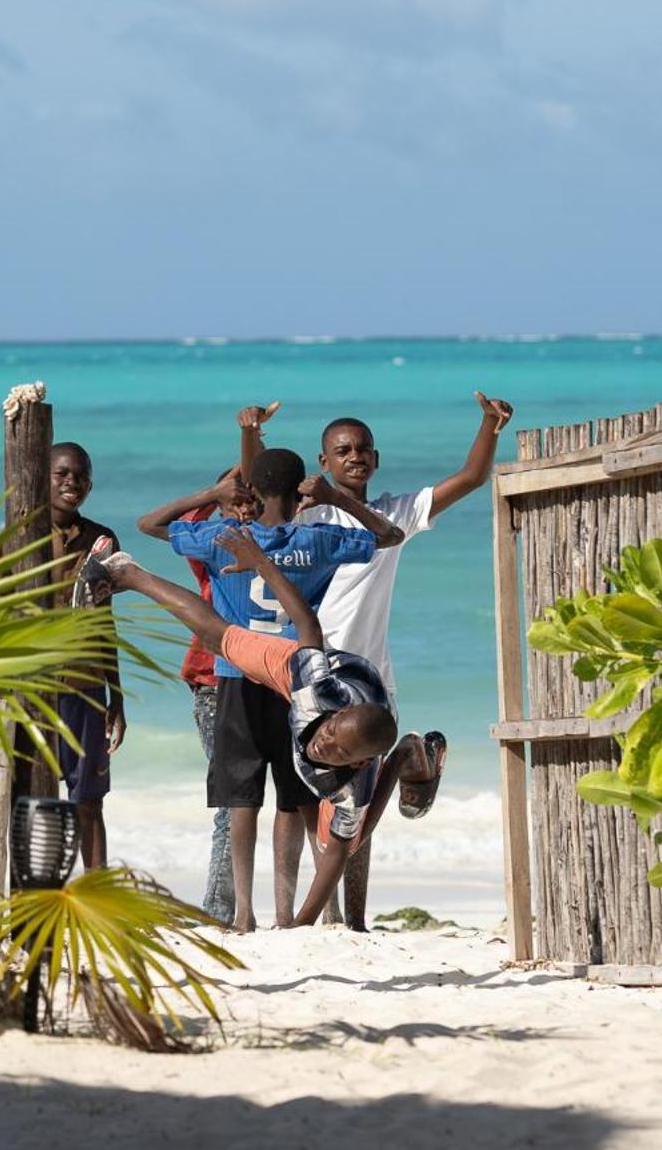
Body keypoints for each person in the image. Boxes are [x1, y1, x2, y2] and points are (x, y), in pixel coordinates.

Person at [239, 391, 513, 929]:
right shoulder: (307, 512)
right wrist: (251, 433)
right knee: (303, 796)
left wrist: (490, 424)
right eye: (342, 450)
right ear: (323, 462)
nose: (354, 456)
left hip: (368, 682)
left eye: (363, 448)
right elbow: (256, 489)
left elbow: (471, 478)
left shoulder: (393, 513)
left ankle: (354, 921)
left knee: (356, 804)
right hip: (311, 671)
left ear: (377, 458)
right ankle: (300, 914)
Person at [79, 529, 445, 927]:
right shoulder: (315, 683)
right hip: (325, 674)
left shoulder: (352, 786)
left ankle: (408, 754)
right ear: (333, 717)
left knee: (346, 841)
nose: (324, 745)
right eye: (329, 733)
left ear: (358, 764)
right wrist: (261, 563)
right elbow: (307, 624)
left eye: (339, 753)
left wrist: (301, 927)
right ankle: (127, 573)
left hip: (368, 717)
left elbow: (334, 858)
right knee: (219, 639)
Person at [137, 447, 402, 930]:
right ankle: (288, 912)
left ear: (250, 490)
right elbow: (390, 535)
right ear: (302, 485)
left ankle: (244, 914)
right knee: (295, 798)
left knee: (241, 800)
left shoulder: (225, 537)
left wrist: (213, 494)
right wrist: (335, 500)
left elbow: (150, 526)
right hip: (297, 682)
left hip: (238, 678)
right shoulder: (319, 538)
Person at [136, 465, 255, 925]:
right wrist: (212, 493)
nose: (242, 506)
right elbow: (150, 524)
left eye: (249, 496)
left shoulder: (277, 540)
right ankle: (220, 909)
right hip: (213, 680)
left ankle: (250, 907)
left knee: (282, 795)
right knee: (231, 798)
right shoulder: (211, 540)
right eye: (233, 499)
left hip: (267, 676)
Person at [43, 441, 123, 869]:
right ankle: (35, 897)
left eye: (80, 475)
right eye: (61, 473)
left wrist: (117, 695)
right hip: (33, 689)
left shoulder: (102, 541)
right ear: (43, 477)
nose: (71, 481)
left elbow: (105, 621)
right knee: (32, 801)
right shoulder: (20, 536)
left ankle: (97, 896)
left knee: (89, 801)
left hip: (86, 688)